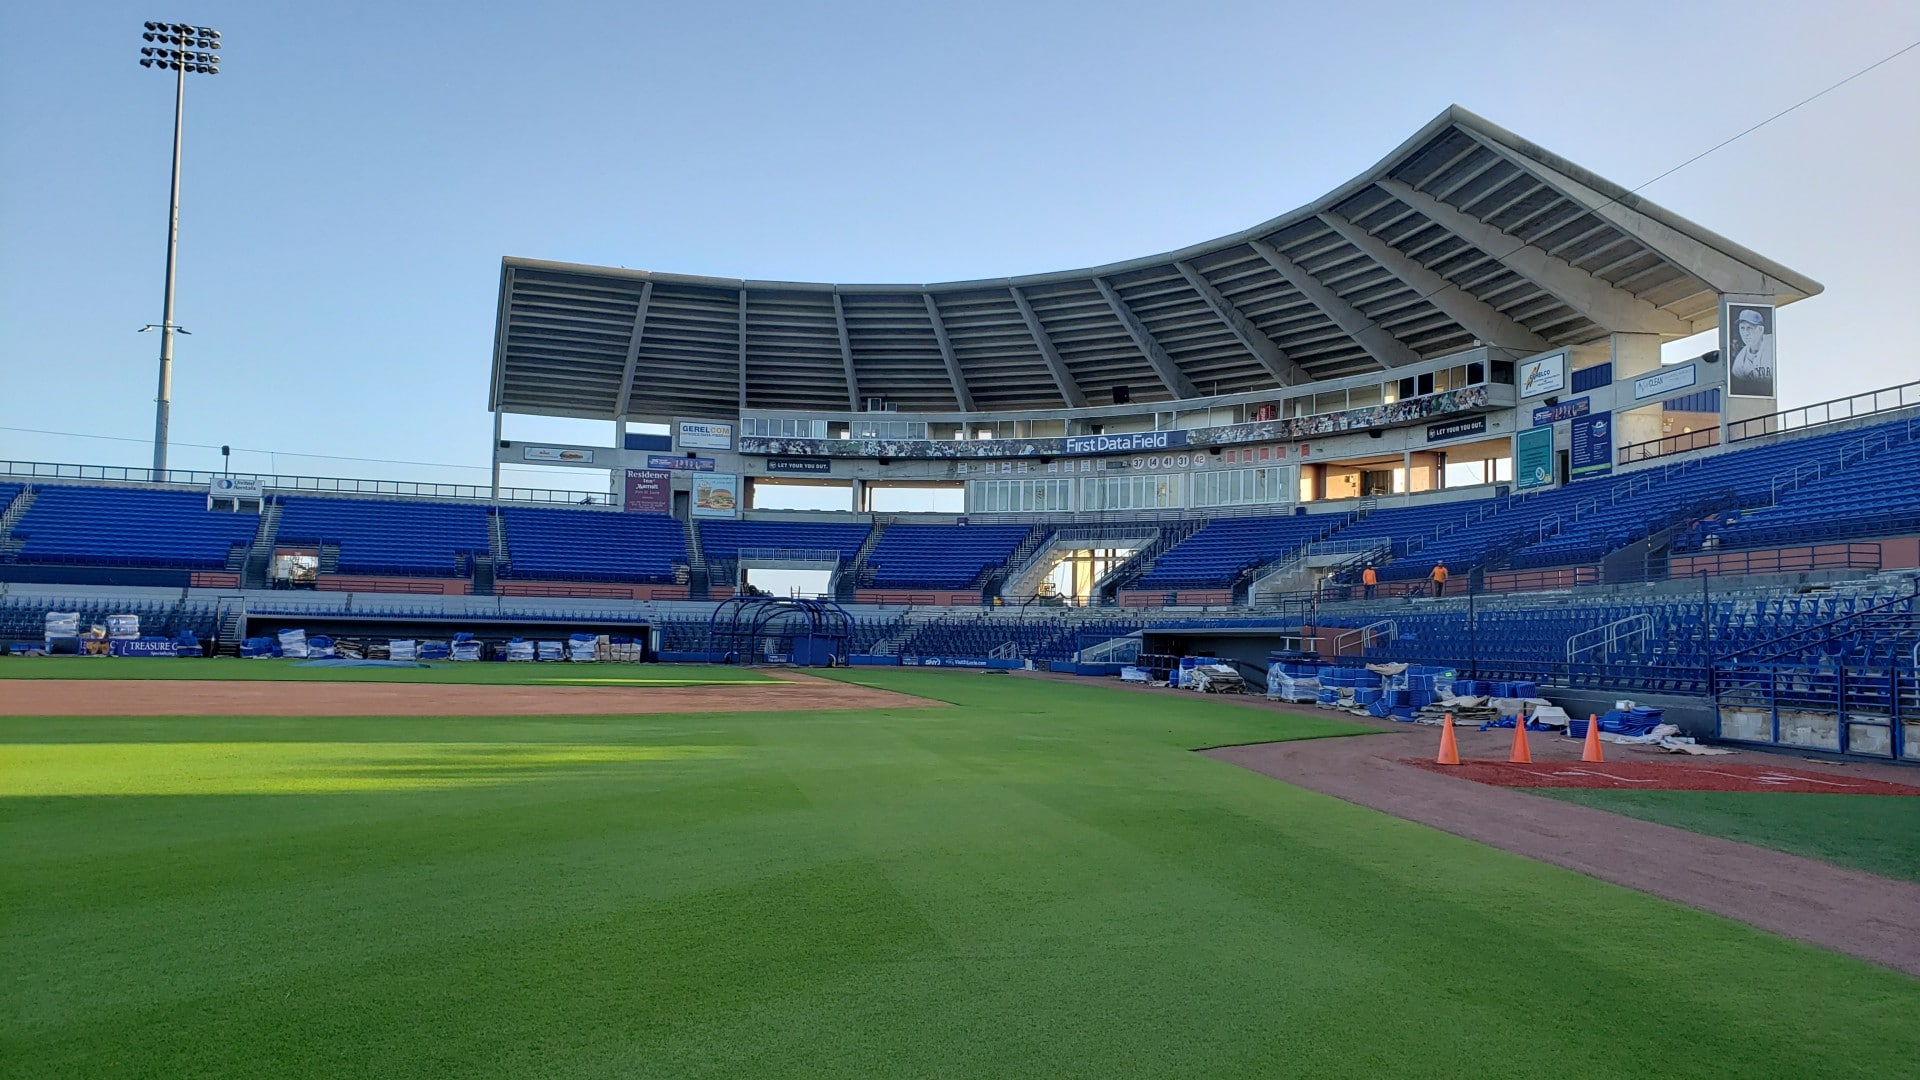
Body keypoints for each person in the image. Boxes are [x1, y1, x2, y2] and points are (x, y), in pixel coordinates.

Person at [1729, 306, 1775, 397]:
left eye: (1749, 328)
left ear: (1760, 330)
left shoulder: (1772, 344)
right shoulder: (1739, 362)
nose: (1745, 333)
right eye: (1742, 328)